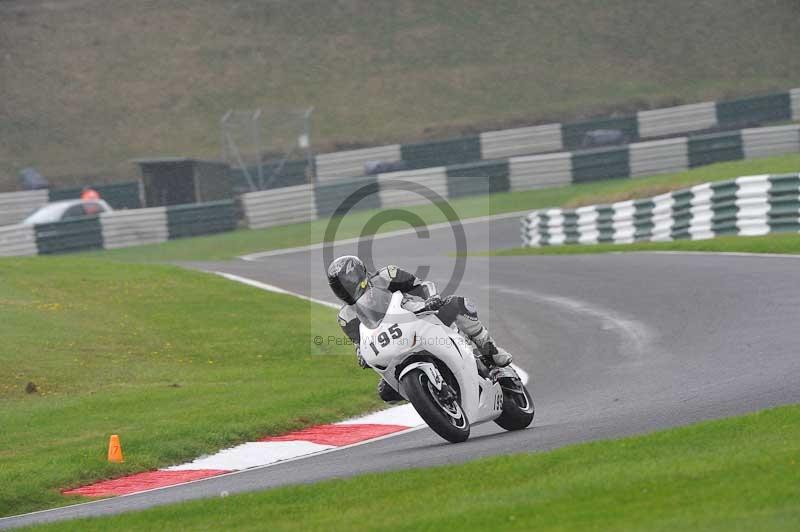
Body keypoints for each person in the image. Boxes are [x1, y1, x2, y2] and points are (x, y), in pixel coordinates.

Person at [326, 255, 512, 403]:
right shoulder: (346, 317)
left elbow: (420, 285)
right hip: (393, 345)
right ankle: (427, 396)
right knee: (386, 393)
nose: (345, 289)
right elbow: (360, 342)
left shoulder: (386, 276)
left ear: (359, 274)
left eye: (346, 283)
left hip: (421, 317)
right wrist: (361, 354)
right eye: (340, 287)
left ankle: (491, 351)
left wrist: (431, 299)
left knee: (459, 304)